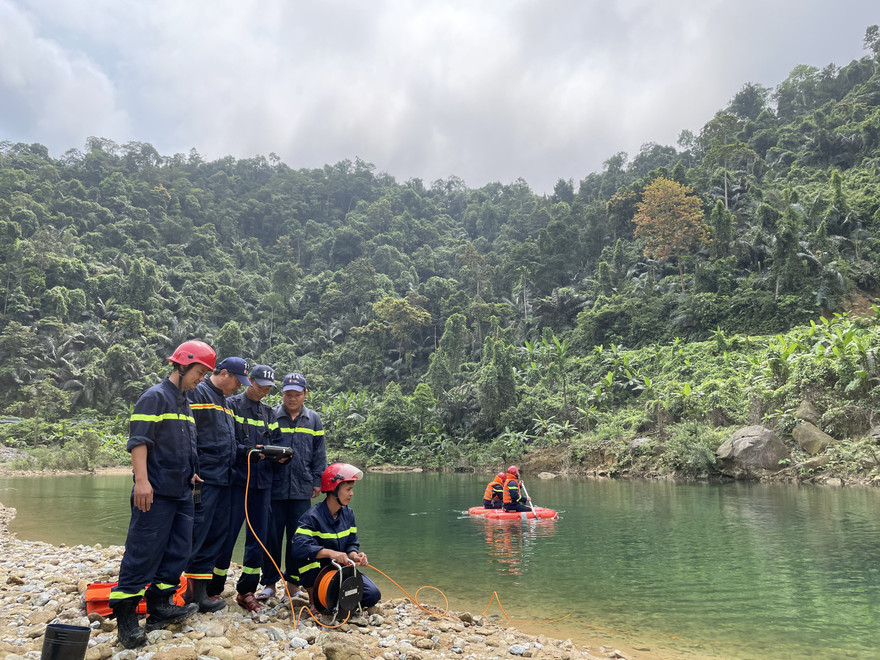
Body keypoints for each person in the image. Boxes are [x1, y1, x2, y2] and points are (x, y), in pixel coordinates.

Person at [109, 340, 216, 650]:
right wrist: (141, 481)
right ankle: (126, 618)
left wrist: (192, 472)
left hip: (182, 490)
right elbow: (139, 441)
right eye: (199, 371)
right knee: (143, 551)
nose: (201, 378)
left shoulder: (185, 402)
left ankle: (160, 604)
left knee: (179, 550)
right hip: (154, 491)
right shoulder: (154, 397)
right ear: (181, 366)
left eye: (205, 373)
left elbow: (185, 445)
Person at [208, 364, 284, 613]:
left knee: (258, 539)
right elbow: (228, 444)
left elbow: (278, 442)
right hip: (237, 483)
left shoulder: (269, 413)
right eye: (260, 386)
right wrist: (252, 453)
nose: (263, 391)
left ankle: (247, 590)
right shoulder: (231, 406)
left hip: (262, 485)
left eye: (268, 388)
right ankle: (212, 589)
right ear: (249, 380)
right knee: (226, 535)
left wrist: (280, 455)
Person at [181, 356, 251, 613]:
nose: (239, 386)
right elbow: (186, 434)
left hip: (223, 480)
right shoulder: (198, 393)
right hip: (203, 480)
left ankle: (201, 593)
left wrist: (251, 451)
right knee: (196, 531)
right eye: (236, 380)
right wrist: (192, 469)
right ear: (223, 373)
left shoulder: (225, 403)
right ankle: (180, 590)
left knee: (215, 535)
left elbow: (229, 442)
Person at [256, 372, 326, 600]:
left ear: (305, 394)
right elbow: (262, 449)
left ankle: (293, 584)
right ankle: (269, 583)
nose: (292, 398)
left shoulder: (313, 419)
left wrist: (318, 481)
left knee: (299, 539)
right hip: (273, 488)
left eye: (297, 394)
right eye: (288, 394)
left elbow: (319, 453)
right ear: (282, 393)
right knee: (271, 537)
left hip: (301, 489)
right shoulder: (270, 415)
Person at [290, 462, 381, 619]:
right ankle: (314, 600)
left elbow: (352, 543)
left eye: (351, 489)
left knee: (373, 595)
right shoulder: (312, 517)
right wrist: (330, 553)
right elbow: (299, 548)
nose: (351, 494)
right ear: (333, 490)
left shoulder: (349, 514)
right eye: (348, 489)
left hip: (340, 570)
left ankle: (334, 598)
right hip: (319, 571)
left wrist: (355, 556)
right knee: (305, 558)